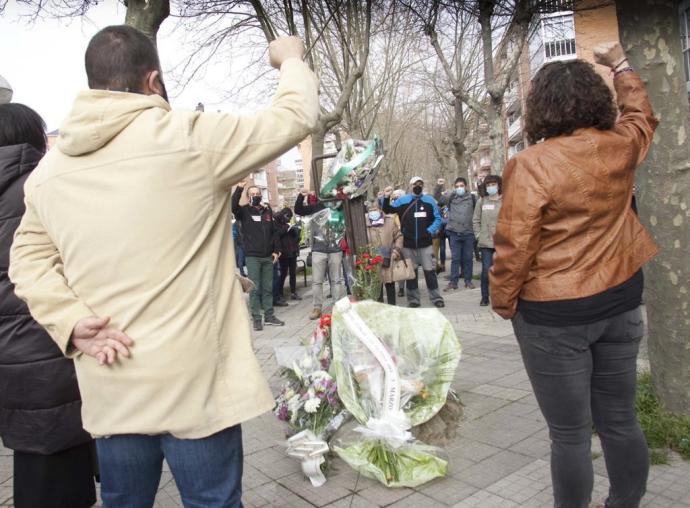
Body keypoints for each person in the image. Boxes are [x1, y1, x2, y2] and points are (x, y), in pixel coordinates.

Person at [9, 25, 318, 507]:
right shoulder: (191, 138)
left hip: (113, 384)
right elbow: (294, 116)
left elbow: (26, 260)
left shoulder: (50, 173)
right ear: (153, 80)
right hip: (195, 388)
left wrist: (69, 322)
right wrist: (291, 59)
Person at [490, 41, 658, 508]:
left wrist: (504, 302)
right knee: (621, 420)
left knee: (569, 434)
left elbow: (514, 245)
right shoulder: (621, 146)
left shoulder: (530, 164)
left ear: (540, 107)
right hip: (621, 301)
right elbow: (641, 115)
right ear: (595, 101)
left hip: (554, 314)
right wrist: (621, 64)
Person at [0, 103, 97, 508]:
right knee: (68, 457)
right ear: (36, 139)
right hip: (54, 342)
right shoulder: (45, 185)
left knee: (37, 460)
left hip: (10, 353)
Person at [382, 177, 444, 308]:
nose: (418, 186)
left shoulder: (429, 201)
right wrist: (386, 197)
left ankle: (436, 297)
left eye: (420, 184)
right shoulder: (402, 201)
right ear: (410, 186)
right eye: (415, 184)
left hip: (426, 244)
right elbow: (387, 210)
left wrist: (430, 231)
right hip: (408, 245)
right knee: (411, 274)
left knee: (430, 272)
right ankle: (413, 299)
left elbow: (438, 218)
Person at [232, 184, 285, 330]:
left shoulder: (267, 211)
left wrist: (277, 250)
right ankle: (256, 318)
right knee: (254, 288)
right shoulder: (244, 211)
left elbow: (274, 233)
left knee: (268, 287)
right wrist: (239, 189)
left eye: (258, 193)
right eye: (253, 194)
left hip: (268, 256)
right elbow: (233, 206)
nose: (256, 195)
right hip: (253, 256)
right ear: (249, 197)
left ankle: (269, 316)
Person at [294, 190, 346, 320]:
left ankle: (338, 306)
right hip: (319, 249)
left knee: (336, 280)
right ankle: (317, 307)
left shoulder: (339, 206)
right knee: (317, 281)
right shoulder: (316, 207)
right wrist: (301, 196)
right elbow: (299, 210)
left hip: (335, 249)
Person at [435, 177, 476, 291]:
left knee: (468, 258)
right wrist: (439, 186)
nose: (459, 188)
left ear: (466, 186)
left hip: (468, 233)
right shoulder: (451, 197)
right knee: (455, 259)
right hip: (454, 233)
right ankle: (453, 282)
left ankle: (468, 281)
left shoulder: (472, 198)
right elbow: (438, 198)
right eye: (457, 186)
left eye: (461, 186)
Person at [364, 200, 403, 305]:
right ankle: (380, 308)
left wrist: (396, 251)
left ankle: (392, 307)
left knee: (390, 284)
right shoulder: (364, 223)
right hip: (373, 260)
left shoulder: (389, 221)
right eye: (370, 210)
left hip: (388, 258)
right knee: (377, 287)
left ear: (380, 209)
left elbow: (399, 237)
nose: (373, 212)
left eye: (375, 209)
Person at [472, 174, 502, 307]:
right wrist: (478, 234)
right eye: (488, 185)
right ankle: (485, 297)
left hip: (502, 242)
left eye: (493, 184)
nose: (491, 187)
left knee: (502, 271)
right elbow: (476, 220)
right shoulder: (482, 201)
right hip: (486, 242)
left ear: (499, 185)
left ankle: (501, 296)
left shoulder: (505, 200)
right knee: (486, 270)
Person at [275, 207, 302, 300]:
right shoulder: (276, 222)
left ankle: (293, 292)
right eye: (288, 217)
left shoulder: (286, 224)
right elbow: (277, 235)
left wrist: (297, 233)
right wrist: (286, 229)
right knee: (283, 274)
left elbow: (295, 239)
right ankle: (280, 293)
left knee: (293, 273)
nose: (289, 219)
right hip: (284, 253)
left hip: (292, 251)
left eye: (290, 217)